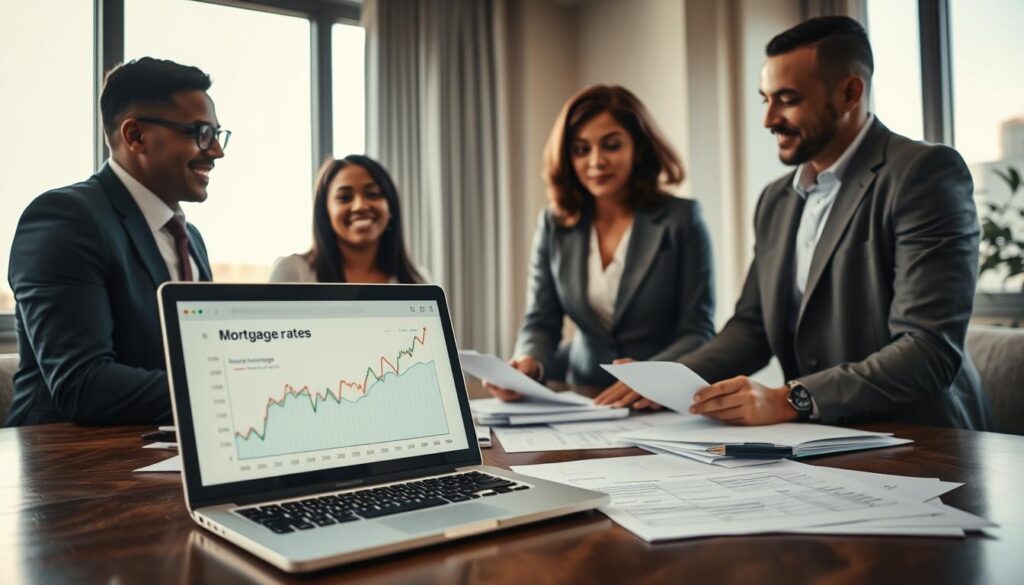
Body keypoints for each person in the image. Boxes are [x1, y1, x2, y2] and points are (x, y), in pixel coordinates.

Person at [675, 17, 988, 428]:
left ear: (849, 93)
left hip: (922, 441)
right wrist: (672, 380)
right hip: (816, 441)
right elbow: (752, 328)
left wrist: (793, 398)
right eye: (764, 99)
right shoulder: (775, 199)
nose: (769, 119)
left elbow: (928, 348)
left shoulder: (925, 173)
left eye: (787, 99)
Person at [5, 57, 225, 426]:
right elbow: (83, 383)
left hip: (166, 449)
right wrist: (223, 393)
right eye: (200, 132)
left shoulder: (191, 239)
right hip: (70, 466)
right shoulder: (65, 219)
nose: (217, 151)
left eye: (218, 134)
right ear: (135, 135)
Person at [487, 85, 715, 407]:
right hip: (583, 396)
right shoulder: (554, 225)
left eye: (611, 145)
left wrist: (652, 376)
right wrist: (528, 363)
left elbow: (698, 329)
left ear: (638, 148)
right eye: (581, 149)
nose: (596, 161)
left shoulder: (682, 219)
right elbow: (541, 320)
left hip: (659, 401)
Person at [269, 155, 428, 284]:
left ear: (391, 207)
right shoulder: (293, 272)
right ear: (326, 212)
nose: (360, 206)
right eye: (344, 197)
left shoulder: (418, 281)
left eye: (372, 194)